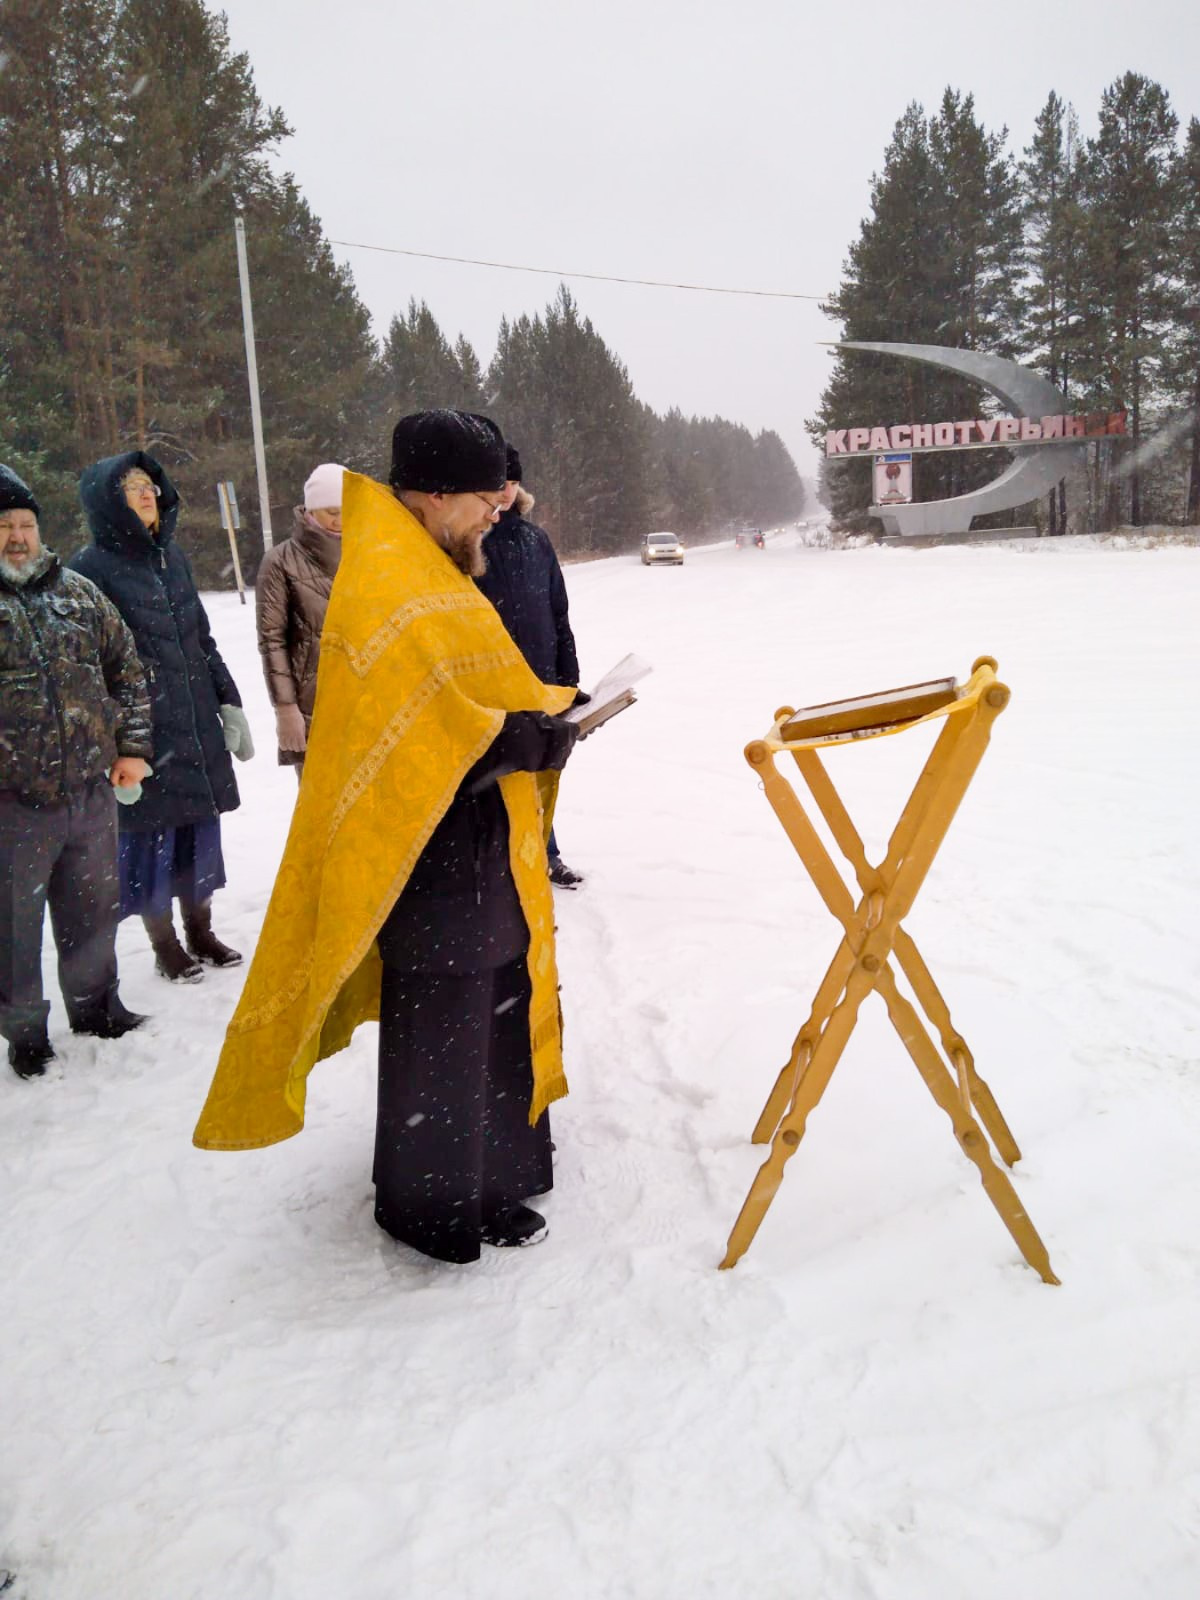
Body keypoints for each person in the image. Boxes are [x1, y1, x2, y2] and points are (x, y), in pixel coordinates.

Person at [194, 411, 582, 1264]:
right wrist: (516, 738)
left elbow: (461, 696)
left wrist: (535, 720)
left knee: (494, 1004)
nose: (497, 511)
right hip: (425, 849)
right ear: (438, 495)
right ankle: (431, 1205)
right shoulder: (388, 580)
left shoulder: (433, 561)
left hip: (476, 835)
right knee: (445, 1020)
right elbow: (403, 734)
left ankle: (495, 1177)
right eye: (486, 497)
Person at [71, 453, 254, 984]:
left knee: (198, 833)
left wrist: (229, 700)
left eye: (150, 485)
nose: (147, 494)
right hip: (141, 731)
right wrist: (111, 744)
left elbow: (202, 637)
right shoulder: (90, 569)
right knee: (151, 842)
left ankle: (201, 932)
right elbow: (91, 665)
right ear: (109, 502)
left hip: (194, 722)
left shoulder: (173, 557)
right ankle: (165, 945)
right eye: (131, 488)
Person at [0, 463, 152, 1078]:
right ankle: (25, 1036)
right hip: (11, 802)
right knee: (13, 927)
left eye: (25, 524)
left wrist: (132, 747)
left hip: (90, 793)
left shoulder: (79, 593)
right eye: (5, 525)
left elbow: (129, 670)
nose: (17, 536)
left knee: (92, 910)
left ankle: (96, 1009)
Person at [477, 444, 585, 888]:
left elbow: (557, 609)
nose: (503, 492)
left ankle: (547, 852)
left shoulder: (535, 539)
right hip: (492, 683)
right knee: (504, 776)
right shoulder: (470, 540)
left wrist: (568, 676)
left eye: (510, 482)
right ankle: (507, 867)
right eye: (494, 484)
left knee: (542, 769)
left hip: (541, 679)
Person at [255, 462, 345, 773]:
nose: (340, 520)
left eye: (347, 510)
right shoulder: (280, 561)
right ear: (310, 510)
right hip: (314, 706)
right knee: (323, 809)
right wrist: (285, 707)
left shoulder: (370, 554)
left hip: (370, 702)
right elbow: (272, 640)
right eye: (331, 510)